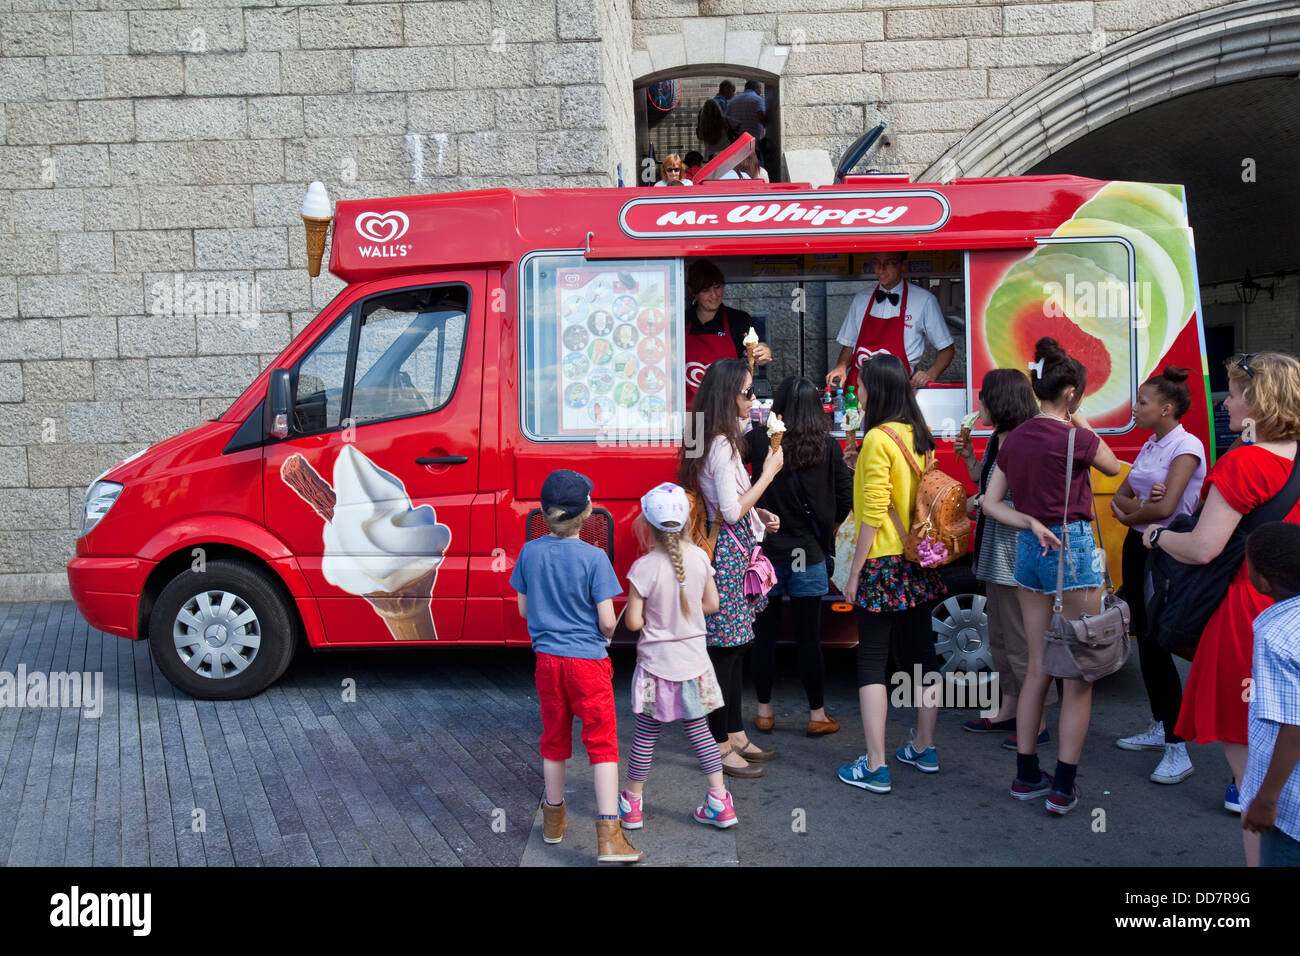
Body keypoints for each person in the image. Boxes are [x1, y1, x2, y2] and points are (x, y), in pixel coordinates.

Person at [1143, 352, 1300, 864]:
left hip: (1249, 615)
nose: (1225, 402)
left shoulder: (1245, 462)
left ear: (1257, 401)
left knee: (1254, 770)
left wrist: (1159, 537)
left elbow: (1204, 548)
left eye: (1233, 392)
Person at [981, 337, 1123, 815]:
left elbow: (990, 502)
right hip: (1074, 549)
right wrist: (1075, 418)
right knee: (1079, 671)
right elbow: (1113, 465)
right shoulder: (1077, 436)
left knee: (1039, 663)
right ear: (1071, 394)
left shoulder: (1014, 437)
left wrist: (1031, 522)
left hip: (1029, 549)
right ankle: (1063, 785)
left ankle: (1025, 775)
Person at [509, 469, 643, 863]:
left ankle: (553, 823)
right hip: (588, 664)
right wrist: (609, 627)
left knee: (553, 740)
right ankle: (609, 837)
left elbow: (522, 607)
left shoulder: (530, 552)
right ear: (587, 512)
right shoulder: (595, 557)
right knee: (602, 745)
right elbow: (605, 620)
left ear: (546, 513)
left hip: (547, 663)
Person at [837, 354, 948, 794]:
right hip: (917, 559)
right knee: (921, 655)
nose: (858, 392)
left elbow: (874, 511)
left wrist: (854, 571)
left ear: (876, 389)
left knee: (871, 661)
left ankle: (876, 765)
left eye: (862, 385)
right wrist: (857, 468)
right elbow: (909, 496)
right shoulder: (918, 436)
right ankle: (924, 747)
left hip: (883, 561)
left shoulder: (878, 440)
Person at [678, 358, 783, 777]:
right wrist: (768, 476)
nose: (752, 400)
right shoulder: (721, 444)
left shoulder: (710, 438)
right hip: (726, 556)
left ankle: (736, 733)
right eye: (747, 392)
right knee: (725, 652)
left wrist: (763, 514)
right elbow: (730, 510)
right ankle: (719, 744)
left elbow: (734, 507)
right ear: (727, 397)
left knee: (736, 647)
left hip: (729, 550)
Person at [618, 483, 738, 830]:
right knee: (700, 732)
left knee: (645, 736)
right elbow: (712, 605)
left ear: (646, 526)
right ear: (687, 523)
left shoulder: (643, 568)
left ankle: (632, 805)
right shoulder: (701, 557)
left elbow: (634, 621)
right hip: (694, 664)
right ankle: (719, 802)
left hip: (657, 667)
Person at [1109, 366, 1206, 784]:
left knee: (1158, 640)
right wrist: (1139, 511)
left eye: (1144, 402)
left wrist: (1138, 512)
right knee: (1144, 639)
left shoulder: (1187, 446)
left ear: (1166, 409)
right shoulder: (1152, 444)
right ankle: (1159, 724)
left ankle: (1177, 746)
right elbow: (1119, 498)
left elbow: (1165, 513)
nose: (1137, 407)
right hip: (1138, 545)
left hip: (1164, 552)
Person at [748, 376, 853, 737]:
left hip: (767, 554)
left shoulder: (760, 440)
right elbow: (846, 497)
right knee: (810, 638)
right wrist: (828, 530)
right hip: (807, 553)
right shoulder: (827, 446)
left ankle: (764, 711)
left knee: (764, 634)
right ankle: (817, 714)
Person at [954, 368, 1046, 750]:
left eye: (983, 398)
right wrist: (972, 462)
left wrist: (978, 504)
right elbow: (990, 486)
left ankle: (1037, 722)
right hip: (995, 553)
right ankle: (1010, 708)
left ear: (1001, 401)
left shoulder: (1024, 441)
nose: (979, 406)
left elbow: (1020, 500)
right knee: (1002, 639)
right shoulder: (998, 438)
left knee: (1022, 642)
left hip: (1014, 555)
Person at [1240, 522, 1300, 867]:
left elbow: (1295, 724)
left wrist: (1267, 798)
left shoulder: (1276, 634)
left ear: (1261, 580)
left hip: (1290, 801)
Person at [826, 251, 955, 391]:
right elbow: (849, 345)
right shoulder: (861, 298)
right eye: (877, 262)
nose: (881, 269)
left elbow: (947, 349)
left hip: (897, 390)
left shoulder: (924, 300)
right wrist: (841, 366)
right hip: (859, 389)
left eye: (889, 263)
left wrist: (931, 374)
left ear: (903, 265)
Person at [683, 259, 771, 404]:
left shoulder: (738, 319)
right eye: (706, 290)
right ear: (694, 292)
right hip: (692, 411)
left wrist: (764, 351)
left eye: (717, 287)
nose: (714, 295)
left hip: (727, 409)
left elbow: (757, 345)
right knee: (697, 427)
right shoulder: (682, 321)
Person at [726, 80, 767, 166]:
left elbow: (726, 119)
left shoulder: (733, 101)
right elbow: (761, 114)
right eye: (760, 89)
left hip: (737, 139)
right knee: (756, 164)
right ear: (757, 89)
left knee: (738, 164)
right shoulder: (758, 100)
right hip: (752, 138)